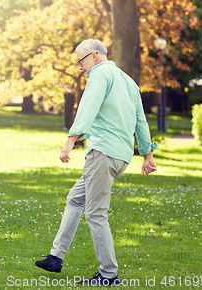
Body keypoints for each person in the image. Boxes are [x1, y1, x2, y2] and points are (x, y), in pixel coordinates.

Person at [35, 39, 158, 286]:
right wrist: (147, 154)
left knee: (95, 213)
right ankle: (55, 257)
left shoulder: (100, 75)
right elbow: (140, 121)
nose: (80, 68)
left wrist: (70, 141)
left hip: (102, 153)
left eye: (81, 61)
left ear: (93, 56)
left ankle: (109, 274)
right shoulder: (129, 82)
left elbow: (87, 109)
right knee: (75, 198)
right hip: (120, 156)